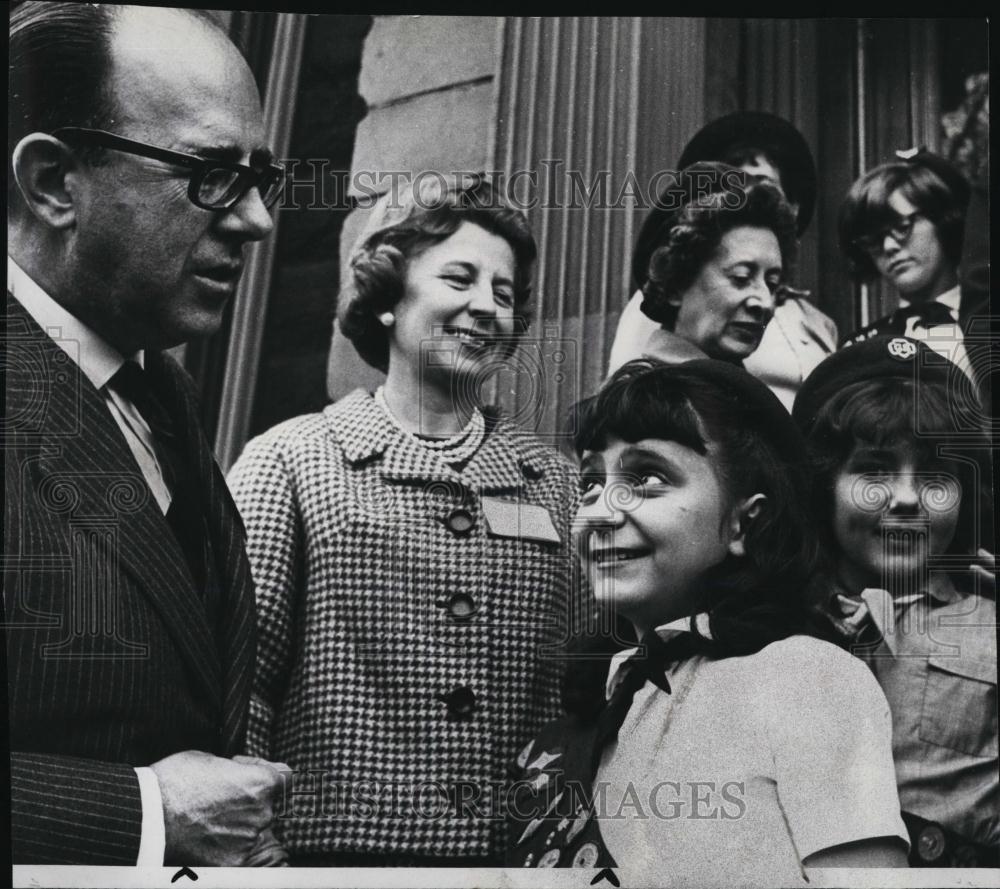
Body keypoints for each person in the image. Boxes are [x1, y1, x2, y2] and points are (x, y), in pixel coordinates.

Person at [6, 2, 290, 866]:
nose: (256, 221)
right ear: (55, 182)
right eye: (208, 173)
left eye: (259, 176)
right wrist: (144, 812)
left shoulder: (157, 386)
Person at [227, 173, 581, 864]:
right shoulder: (291, 461)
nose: (485, 307)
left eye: (503, 293)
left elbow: (580, 692)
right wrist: (258, 857)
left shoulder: (559, 486)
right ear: (389, 298)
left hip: (514, 863)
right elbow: (242, 689)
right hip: (328, 864)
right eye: (459, 278)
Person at [507, 359, 909, 883]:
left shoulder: (807, 680)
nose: (601, 511)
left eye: (647, 477)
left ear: (745, 521)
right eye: (589, 483)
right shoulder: (576, 720)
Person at [793, 335, 998, 867]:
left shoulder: (988, 622)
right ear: (824, 485)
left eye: (935, 477)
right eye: (875, 471)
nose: (907, 497)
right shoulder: (769, 618)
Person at [610, 111, 838, 410]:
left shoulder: (816, 322)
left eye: (761, 186)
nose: (763, 302)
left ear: (793, 206)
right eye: (741, 278)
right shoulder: (662, 307)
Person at [607, 166, 797, 369]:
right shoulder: (649, 397)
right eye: (741, 278)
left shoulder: (739, 392)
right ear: (676, 284)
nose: (766, 303)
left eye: (772, 284)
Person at [838, 150, 989, 393]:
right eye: (873, 240)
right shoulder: (860, 348)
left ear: (943, 219)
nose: (888, 247)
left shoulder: (989, 323)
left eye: (901, 227)